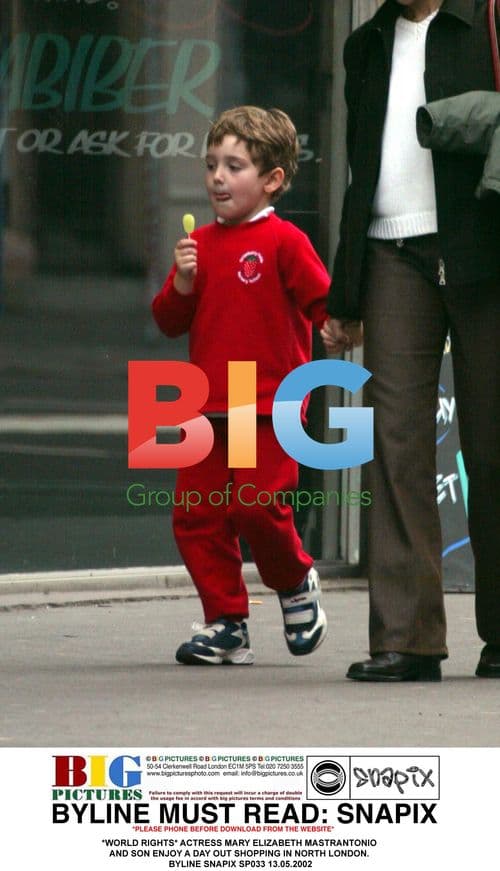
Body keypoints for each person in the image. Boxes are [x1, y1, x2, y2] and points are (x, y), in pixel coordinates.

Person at [322, 0, 500, 680]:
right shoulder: (364, 45)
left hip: (485, 246)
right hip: (392, 254)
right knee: (394, 444)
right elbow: (357, 168)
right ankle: (408, 637)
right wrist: (346, 291)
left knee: (493, 447)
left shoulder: (484, 21)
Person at [152, 106, 331, 665]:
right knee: (197, 515)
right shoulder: (198, 245)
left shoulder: (285, 241)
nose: (218, 178)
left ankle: (295, 581)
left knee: (257, 510)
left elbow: (321, 300)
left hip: (267, 406)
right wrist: (182, 281)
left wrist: (340, 322)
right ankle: (226, 622)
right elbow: (167, 321)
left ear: (273, 178)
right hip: (206, 408)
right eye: (211, 166)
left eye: (234, 166)